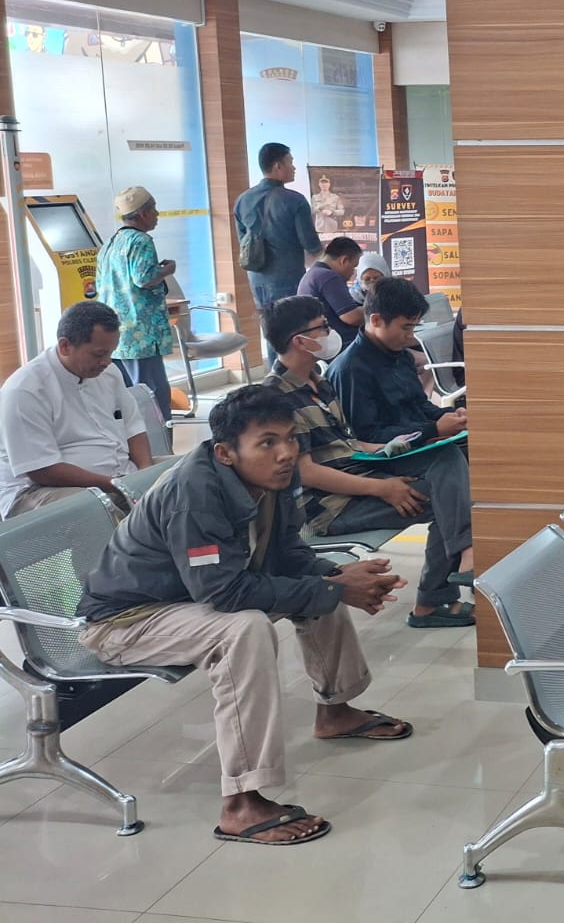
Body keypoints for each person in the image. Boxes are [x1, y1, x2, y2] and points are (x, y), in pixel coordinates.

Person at [76, 385, 414, 846]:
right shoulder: (194, 493)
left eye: (290, 438)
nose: (286, 453)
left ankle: (336, 711)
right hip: (126, 621)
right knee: (245, 629)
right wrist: (335, 588)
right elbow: (223, 592)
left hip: (190, 600)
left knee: (325, 580)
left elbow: (289, 555)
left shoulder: (273, 478)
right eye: (267, 442)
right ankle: (241, 803)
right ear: (225, 452)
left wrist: (337, 579)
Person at [262, 296, 475, 627]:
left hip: (359, 476)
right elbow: (306, 473)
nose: (330, 332)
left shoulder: (319, 382)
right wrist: (382, 488)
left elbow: (348, 444)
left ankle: (453, 574)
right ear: (299, 341)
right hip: (328, 506)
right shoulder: (276, 399)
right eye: (322, 327)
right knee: (449, 496)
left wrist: (396, 447)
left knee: (449, 464)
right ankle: (439, 592)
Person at [0, 301, 155, 518]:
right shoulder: (25, 390)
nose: (107, 362)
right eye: (99, 354)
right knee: (102, 511)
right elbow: (41, 469)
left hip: (119, 476)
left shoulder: (109, 373)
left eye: (111, 352)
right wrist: (117, 485)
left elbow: (133, 428)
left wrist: (147, 475)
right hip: (38, 490)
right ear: (65, 346)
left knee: (189, 474)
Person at [327, 276, 468, 445]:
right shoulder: (350, 370)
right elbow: (367, 437)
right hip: (390, 455)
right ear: (376, 320)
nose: (411, 335)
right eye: (406, 327)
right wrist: (433, 430)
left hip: (420, 444)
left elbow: (420, 405)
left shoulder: (401, 355)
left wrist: (452, 415)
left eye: (414, 326)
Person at [233, 143, 323, 363]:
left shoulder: (242, 200)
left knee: (271, 329)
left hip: (257, 278)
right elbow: (310, 243)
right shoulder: (294, 200)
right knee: (296, 330)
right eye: (290, 162)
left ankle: (275, 375)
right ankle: (295, 375)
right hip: (288, 276)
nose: (294, 167)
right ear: (277, 166)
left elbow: (242, 241)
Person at [96, 185, 177, 419]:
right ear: (142, 214)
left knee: (127, 398)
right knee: (152, 398)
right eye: (154, 209)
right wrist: (167, 270)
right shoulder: (141, 241)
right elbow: (144, 278)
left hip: (117, 334)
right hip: (141, 335)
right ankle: (158, 442)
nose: (157, 214)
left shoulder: (111, 243)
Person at [297, 236, 366, 349]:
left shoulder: (312, 274)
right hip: (340, 344)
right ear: (344, 260)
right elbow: (352, 317)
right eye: (353, 267)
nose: (353, 272)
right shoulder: (328, 276)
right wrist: (378, 309)